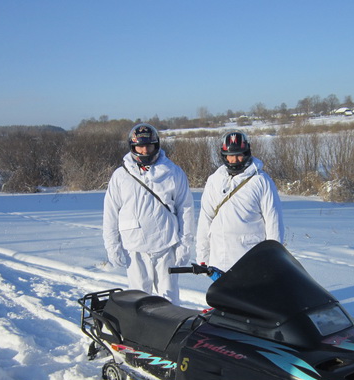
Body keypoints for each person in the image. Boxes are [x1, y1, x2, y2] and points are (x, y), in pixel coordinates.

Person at [103, 123, 194, 303]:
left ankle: (170, 331)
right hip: (134, 248)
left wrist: (185, 243)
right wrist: (112, 245)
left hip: (166, 245)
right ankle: (139, 331)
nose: (144, 150)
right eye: (140, 146)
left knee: (168, 299)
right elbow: (110, 213)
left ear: (156, 145)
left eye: (148, 146)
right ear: (133, 147)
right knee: (138, 300)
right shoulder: (121, 176)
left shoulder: (173, 172)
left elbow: (186, 209)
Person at [196, 131, 284, 271]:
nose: (234, 160)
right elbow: (205, 218)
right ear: (224, 156)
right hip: (219, 259)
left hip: (250, 258)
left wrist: (273, 257)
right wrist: (203, 257)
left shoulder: (260, 181)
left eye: (239, 155)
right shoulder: (215, 180)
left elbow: (273, 221)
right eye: (230, 156)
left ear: (246, 153)